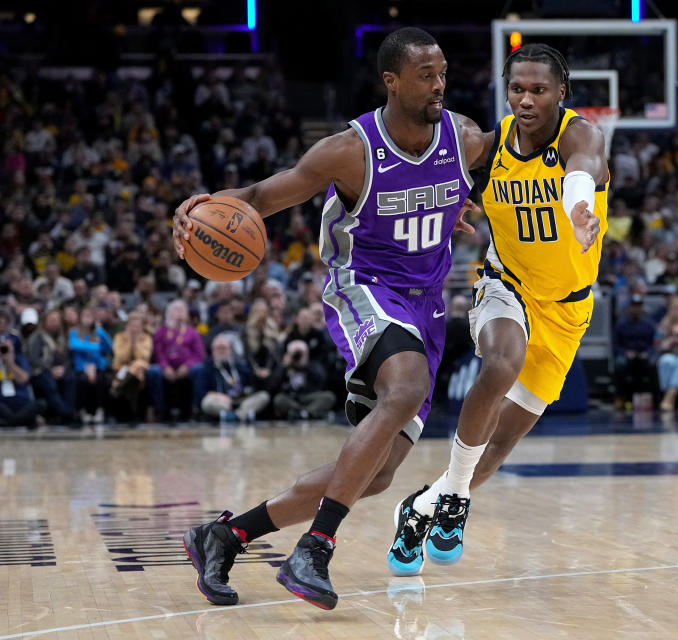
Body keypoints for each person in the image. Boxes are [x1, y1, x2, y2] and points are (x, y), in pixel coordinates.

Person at [174, 28, 494, 610]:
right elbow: (259, 196)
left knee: (374, 475)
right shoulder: (348, 150)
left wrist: (450, 207)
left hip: (427, 304)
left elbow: (491, 182)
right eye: (426, 75)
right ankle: (315, 548)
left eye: (443, 72)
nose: (439, 84)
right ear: (391, 81)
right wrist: (198, 209)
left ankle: (224, 535)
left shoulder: (465, 138)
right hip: (364, 289)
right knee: (408, 388)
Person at [390, 43, 606, 574]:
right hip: (504, 283)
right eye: (517, 89)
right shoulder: (493, 143)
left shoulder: (581, 134)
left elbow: (584, 168)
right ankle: (456, 504)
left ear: (561, 92)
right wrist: (450, 200)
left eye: (538, 89)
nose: (526, 99)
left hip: (567, 310)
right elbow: (437, 177)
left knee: (500, 444)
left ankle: (421, 506)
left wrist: (579, 208)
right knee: (501, 361)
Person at [196, 334, 270, 422]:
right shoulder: (207, 368)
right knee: (206, 403)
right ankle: (238, 415)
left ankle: (235, 416)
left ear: (230, 349)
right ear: (213, 351)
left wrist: (257, 377)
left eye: (224, 348)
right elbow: (201, 392)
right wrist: (220, 396)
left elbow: (251, 385)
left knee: (264, 396)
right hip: (222, 402)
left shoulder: (239, 366)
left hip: (241, 401)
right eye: (218, 348)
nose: (221, 351)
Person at [151, 299, 204, 420]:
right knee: (153, 371)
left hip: (187, 367)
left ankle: (196, 409)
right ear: (168, 314)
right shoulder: (161, 332)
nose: (179, 313)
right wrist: (165, 367)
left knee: (199, 369)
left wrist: (187, 365)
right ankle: (160, 410)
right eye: (176, 310)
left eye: (182, 310)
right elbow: (158, 353)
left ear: (186, 315)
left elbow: (199, 355)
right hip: (166, 367)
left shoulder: (193, 333)